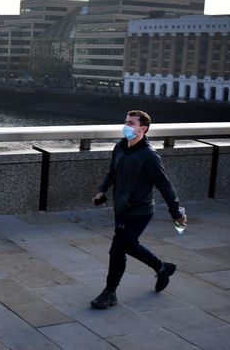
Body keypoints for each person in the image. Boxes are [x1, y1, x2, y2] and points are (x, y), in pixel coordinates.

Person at [90, 110, 187, 310]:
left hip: (140, 211)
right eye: (126, 122)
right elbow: (112, 172)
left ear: (143, 129)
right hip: (121, 209)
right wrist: (101, 191)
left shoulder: (149, 155)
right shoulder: (120, 147)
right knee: (129, 245)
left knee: (117, 249)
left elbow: (165, 186)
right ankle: (162, 268)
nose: (126, 126)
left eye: (131, 123)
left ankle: (110, 293)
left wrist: (176, 213)